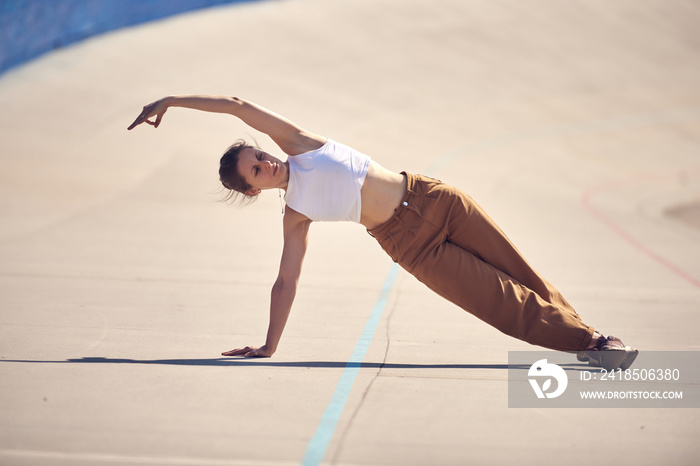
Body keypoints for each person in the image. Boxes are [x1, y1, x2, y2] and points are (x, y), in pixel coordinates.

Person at [128, 95, 638, 370]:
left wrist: (171, 100)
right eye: (255, 170)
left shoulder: (300, 143)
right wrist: (268, 346)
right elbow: (286, 281)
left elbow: (238, 105)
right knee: (499, 299)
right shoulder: (296, 213)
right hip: (413, 246)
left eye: (258, 154)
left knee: (521, 272)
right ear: (252, 190)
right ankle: (590, 342)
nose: (265, 162)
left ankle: (592, 335)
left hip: (436, 198)